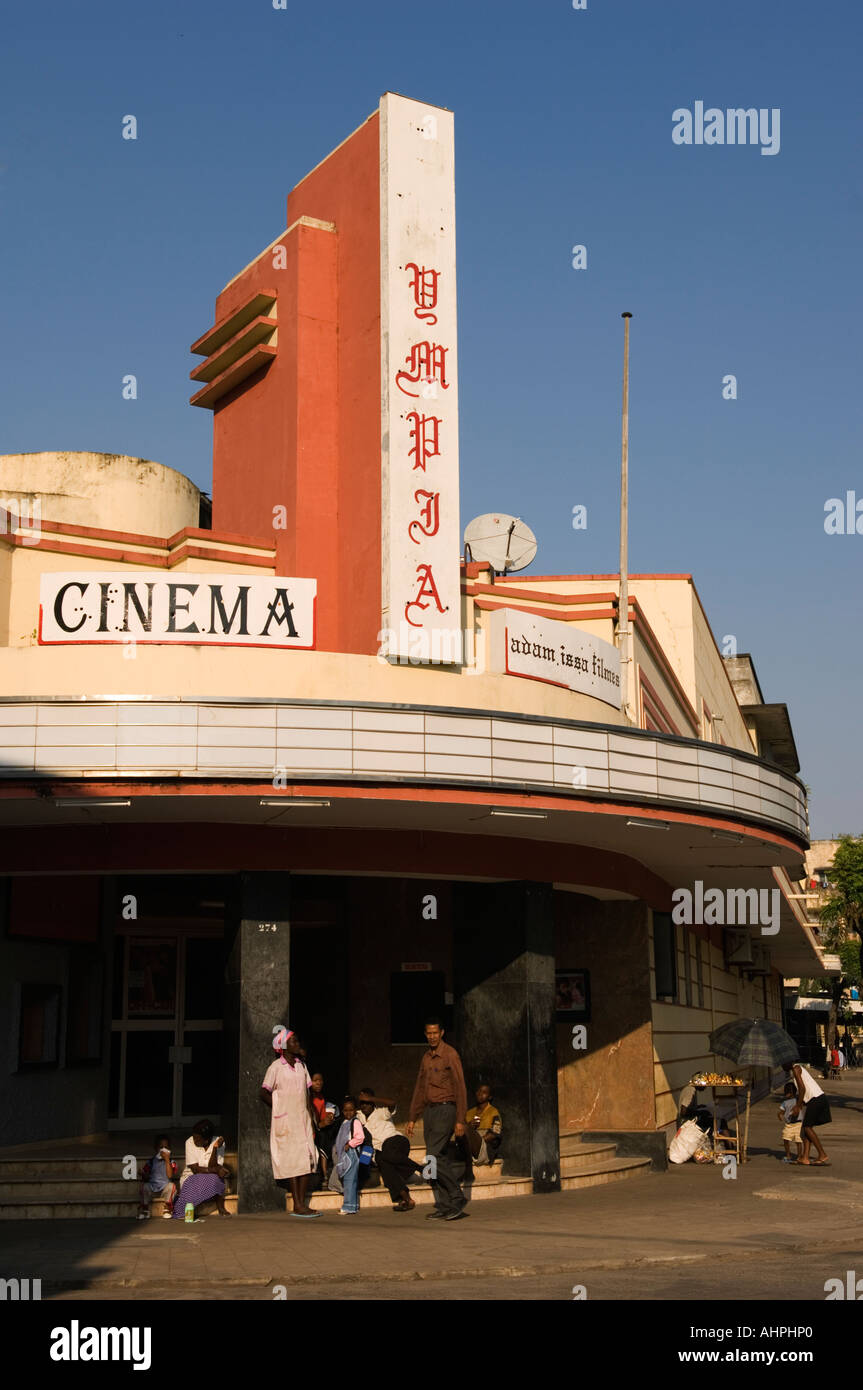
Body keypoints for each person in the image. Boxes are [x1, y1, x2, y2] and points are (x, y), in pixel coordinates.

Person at [406, 1016, 468, 1221]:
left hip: (446, 1109)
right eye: (429, 1033)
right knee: (435, 1158)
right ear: (426, 1034)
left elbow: (460, 1088)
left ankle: (457, 1196)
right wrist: (413, 1117)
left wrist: (460, 1119)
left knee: (432, 1154)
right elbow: (419, 1088)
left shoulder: (450, 1055)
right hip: (430, 1111)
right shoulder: (425, 1057)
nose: (432, 1036)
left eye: (435, 1033)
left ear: (441, 1033)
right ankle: (444, 1205)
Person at [260, 1025, 320, 1218]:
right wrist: (279, 1109)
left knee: (306, 1160)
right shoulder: (276, 1067)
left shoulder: (302, 1066)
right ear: (283, 1046)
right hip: (285, 1121)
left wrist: (313, 1116)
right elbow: (263, 1092)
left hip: (302, 1120)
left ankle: (301, 1203)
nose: (297, 1044)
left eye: (297, 1041)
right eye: (293, 1041)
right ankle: (298, 1204)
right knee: (291, 1161)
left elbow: (308, 1093)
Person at [358, 1087, 422, 1212]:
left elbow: (393, 1103)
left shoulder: (381, 1112)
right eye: (362, 1103)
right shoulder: (358, 1116)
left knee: (386, 1155)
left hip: (395, 1141)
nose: (364, 1105)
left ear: (372, 1102)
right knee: (385, 1164)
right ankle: (406, 1199)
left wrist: (370, 1097)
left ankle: (420, 1168)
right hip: (379, 1150)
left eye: (367, 1102)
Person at [171, 1119, 231, 1219]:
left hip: (211, 1177)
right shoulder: (189, 1142)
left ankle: (220, 1206)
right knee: (212, 1176)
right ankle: (182, 1205)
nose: (194, 1140)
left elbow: (214, 1165)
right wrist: (215, 1170)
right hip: (191, 1177)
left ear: (206, 1140)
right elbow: (195, 1169)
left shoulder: (219, 1142)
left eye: (197, 1139)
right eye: (194, 1137)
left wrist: (215, 1148)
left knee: (217, 1179)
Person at [784, 1057, 831, 1165]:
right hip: (815, 1100)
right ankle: (805, 1157)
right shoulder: (795, 1070)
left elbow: (802, 1089)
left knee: (807, 1127)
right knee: (806, 1129)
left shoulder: (796, 1069)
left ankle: (822, 1154)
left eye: (783, 1064)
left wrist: (798, 1106)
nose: (782, 1067)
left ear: (789, 1062)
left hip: (816, 1099)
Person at [332, 1096, 365, 1215]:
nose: (348, 1113)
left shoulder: (355, 1122)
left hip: (351, 1154)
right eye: (346, 1110)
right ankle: (353, 1205)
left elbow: (360, 1137)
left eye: (351, 1110)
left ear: (355, 1110)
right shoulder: (345, 1122)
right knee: (349, 1180)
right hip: (345, 1155)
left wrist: (349, 1144)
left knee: (350, 1181)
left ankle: (348, 1207)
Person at [138, 1133, 177, 1220]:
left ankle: (167, 1209)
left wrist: (167, 1160)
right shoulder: (151, 1162)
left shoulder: (171, 1162)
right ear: (156, 1149)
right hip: (153, 1188)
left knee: (172, 1186)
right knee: (144, 1186)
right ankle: (145, 1209)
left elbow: (170, 1175)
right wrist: (143, 1173)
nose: (163, 1150)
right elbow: (146, 1177)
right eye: (161, 1147)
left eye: (166, 1147)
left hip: (164, 1189)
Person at [309, 1072, 339, 1181]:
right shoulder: (307, 1096)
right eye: (315, 1080)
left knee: (326, 1137)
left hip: (317, 1128)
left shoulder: (321, 1098)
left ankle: (325, 1174)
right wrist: (321, 1124)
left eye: (320, 1080)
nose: (319, 1083)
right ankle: (322, 1174)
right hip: (308, 1129)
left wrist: (327, 1119)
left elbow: (321, 1119)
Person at [464, 1084, 503, 1165]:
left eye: (484, 1092)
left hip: (484, 1147)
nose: (480, 1093)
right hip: (468, 1146)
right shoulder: (469, 1113)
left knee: (465, 1128)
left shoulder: (493, 1112)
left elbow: (494, 1134)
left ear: (490, 1097)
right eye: (478, 1091)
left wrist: (477, 1140)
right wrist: (469, 1126)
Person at [778, 1082, 803, 1164]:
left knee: (798, 1140)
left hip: (798, 1124)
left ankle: (799, 1156)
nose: (786, 1094)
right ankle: (789, 1155)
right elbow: (781, 1111)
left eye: (787, 1093)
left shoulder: (798, 1101)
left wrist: (780, 1114)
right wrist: (780, 1115)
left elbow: (781, 1112)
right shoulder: (785, 1103)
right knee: (786, 1138)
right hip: (789, 1124)